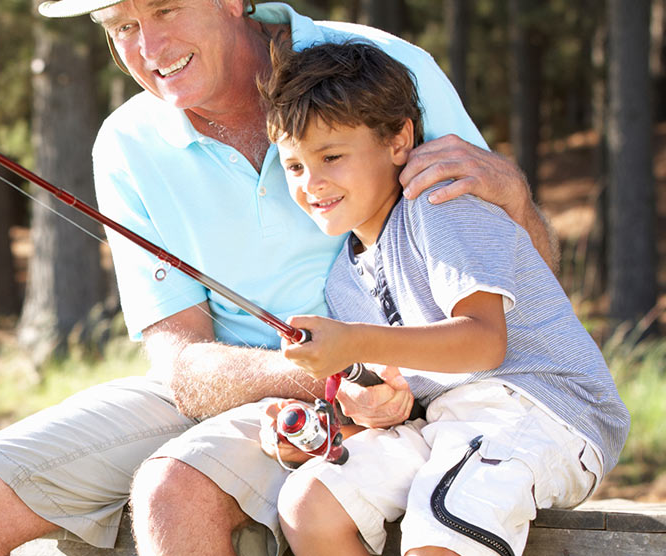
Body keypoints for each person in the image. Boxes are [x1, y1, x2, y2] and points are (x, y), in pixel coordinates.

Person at [0, 0, 558, 556]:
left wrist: (514, 200)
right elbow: (182, 363)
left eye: (165, 9)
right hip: (254, 384)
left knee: (173, 492)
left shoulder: (384, 68)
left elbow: (519, 282)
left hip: (407, 392)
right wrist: (322, 373)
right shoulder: (126, 143)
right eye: (122, 27)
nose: (149, 47)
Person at [261, 41, 628, 556]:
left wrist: (355, 342)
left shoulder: (442, 205)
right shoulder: (342, 280)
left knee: (443, 517)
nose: (312, 183)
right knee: (309, 505)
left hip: (543, 408)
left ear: (398, 140)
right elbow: (400, 389)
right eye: (295, 166)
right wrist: (367, 410)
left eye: (332, 157)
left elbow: (483, 343)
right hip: (444, 423)